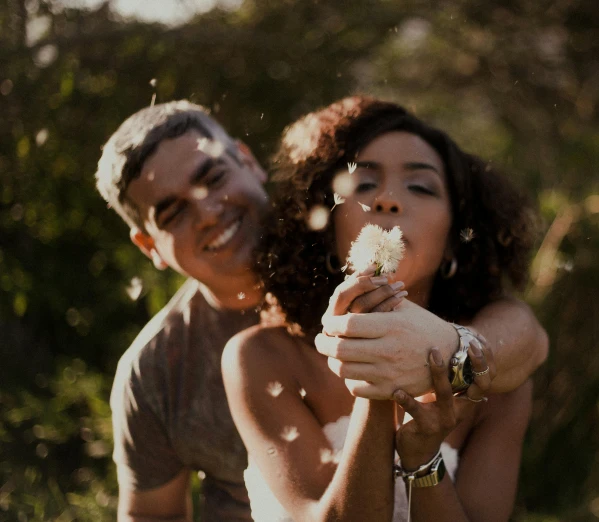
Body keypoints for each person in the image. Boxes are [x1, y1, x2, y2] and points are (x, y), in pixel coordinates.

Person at [96, 100, 547, 521]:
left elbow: (525, 339)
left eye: (213, 178)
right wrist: (377, 366)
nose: (209, 212)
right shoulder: (165, 368)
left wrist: (437, 358)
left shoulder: (489, 337)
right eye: (173, 212)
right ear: (149, 246)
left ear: (247, 161)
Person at [222, 96, 540, 521]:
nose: (388, 200)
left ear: (451, 242)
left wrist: (423, 458)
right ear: (329, 230)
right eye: (364, 185)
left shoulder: (497, 384)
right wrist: (374, 374)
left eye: (421, 187)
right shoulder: (260, 358)